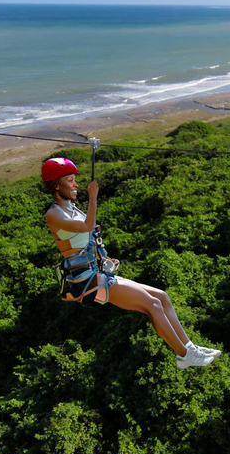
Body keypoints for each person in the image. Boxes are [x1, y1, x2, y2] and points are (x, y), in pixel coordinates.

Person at [42, 157, 220, 369]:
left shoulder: (72, 209)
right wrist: (93, 197)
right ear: (56, 185)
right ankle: (184, 356)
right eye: (70, 180)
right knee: (152, 305)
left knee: (161, 297)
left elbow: (88, 239)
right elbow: (88, 226)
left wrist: (105, 259)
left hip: (97, 275)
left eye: (74, 180)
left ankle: (190, 348)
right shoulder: (53, 214)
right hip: (86, 282)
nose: (75, 184)